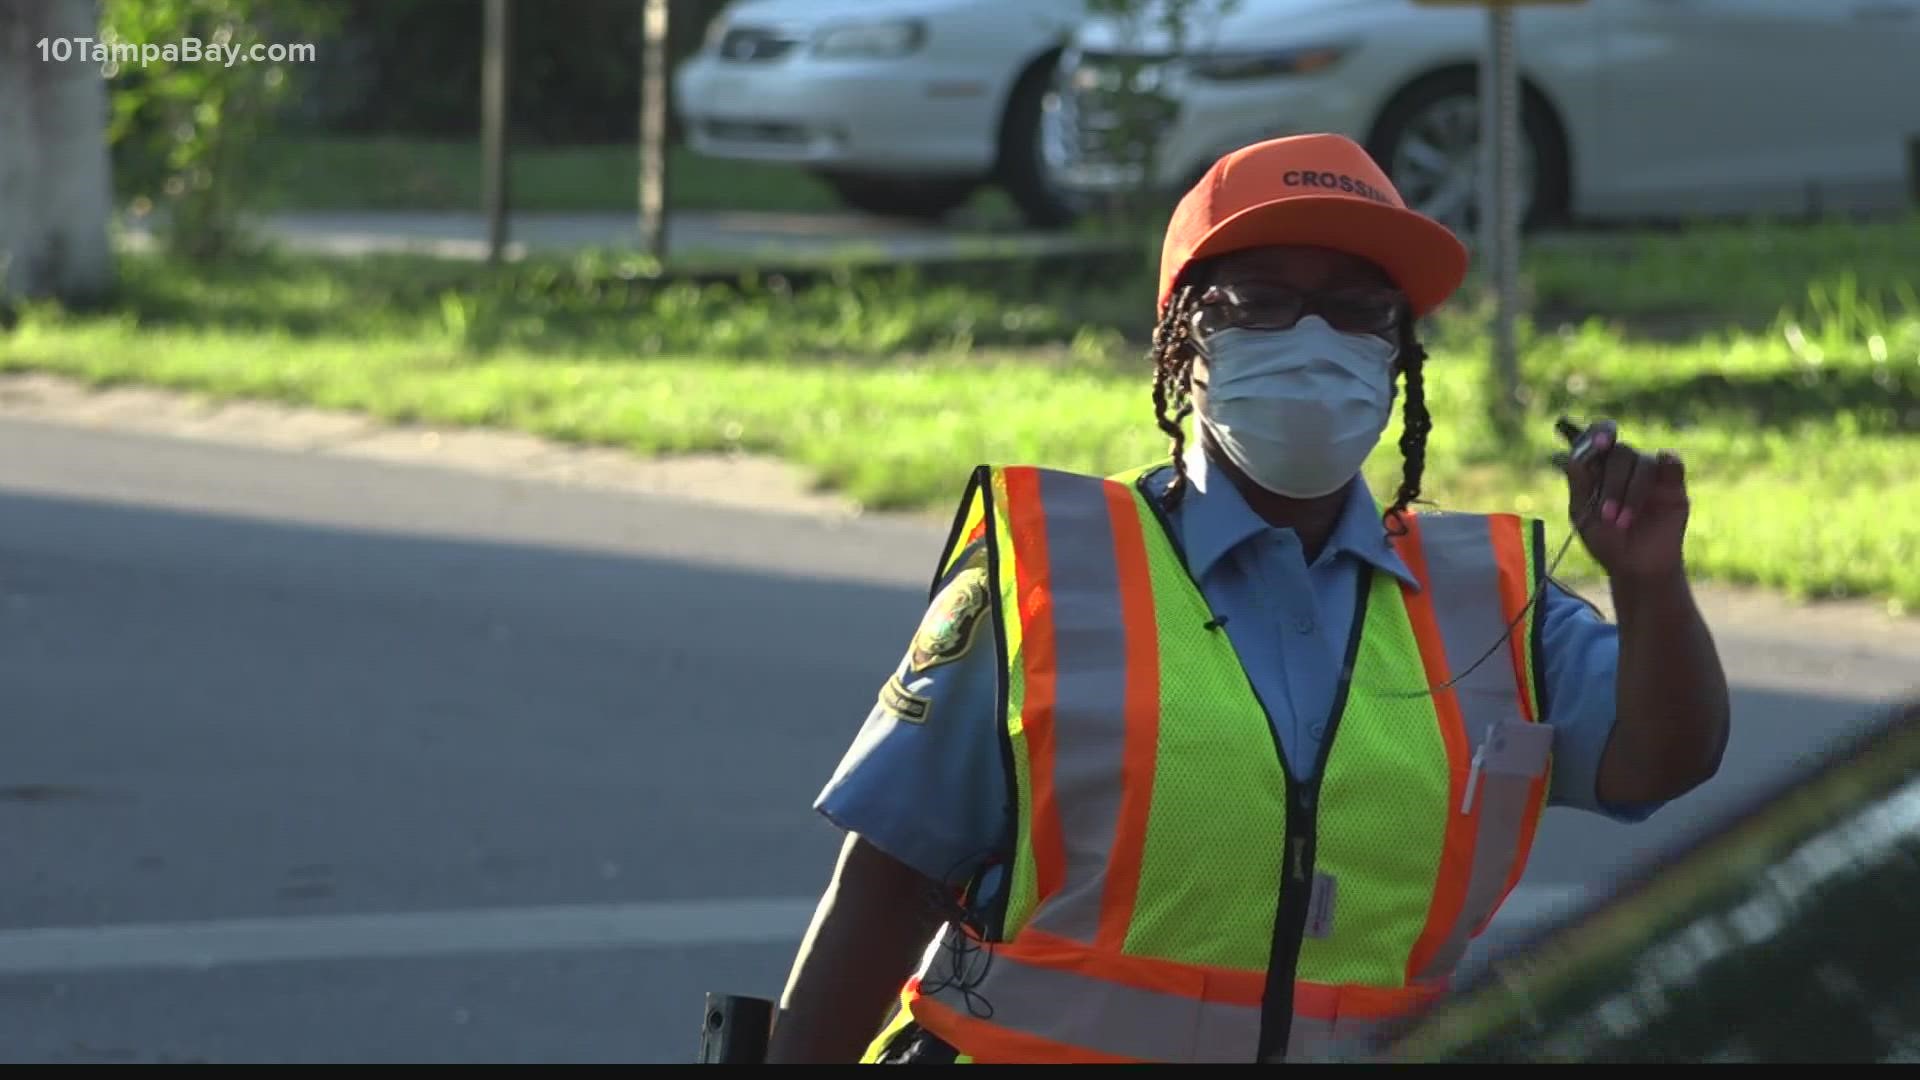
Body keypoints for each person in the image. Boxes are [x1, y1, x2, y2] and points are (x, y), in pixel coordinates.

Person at [764, 133, 1733, 1064]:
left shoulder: (1494, 604)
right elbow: (885, 893)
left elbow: (1662, 759)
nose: (1316, 341)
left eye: (1359, 310)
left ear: (1398, 360)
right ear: (1183, 346)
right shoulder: (1046, 570)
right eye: (1263, 301)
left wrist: (1648, 584)